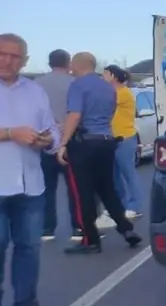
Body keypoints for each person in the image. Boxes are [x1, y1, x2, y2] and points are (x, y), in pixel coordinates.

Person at [0, 33, 71, 306]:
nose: (7, 60)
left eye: (15, 56)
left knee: (29, 249)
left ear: (25, 60)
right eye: (2, 54)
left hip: (31, 186)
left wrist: (48, 140)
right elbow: (13, 133)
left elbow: (51, 127)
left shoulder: (35, 90)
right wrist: (9, 133)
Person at [55, 52, 142, 255]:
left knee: (81, 193)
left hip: (84, 144)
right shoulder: (108, 87)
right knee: (107, 189)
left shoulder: (78, 85)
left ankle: (90, 240)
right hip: (106, 142)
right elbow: (109, 114)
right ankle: (126, 230)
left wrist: (63, 143)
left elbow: (75, 115)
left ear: (76, 65)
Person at [33, 49, 80, 242]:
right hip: (70, 142)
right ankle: (78, 227)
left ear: (49, 62)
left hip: (44, 141)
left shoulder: (36, 84)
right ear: (68, 63)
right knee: (75, 188)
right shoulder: (75, 83)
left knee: (46, 188)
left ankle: (47, 228)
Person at [103, 65, 142, 220]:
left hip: (125, 138)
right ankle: (120, 204)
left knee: (128, 173)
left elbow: (106, 104)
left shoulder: (123, 93)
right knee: (115, 175)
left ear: (112, 75)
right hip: (111, 138)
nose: (102, 77)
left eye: (105, 74)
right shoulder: (113, 92)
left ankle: (135, 206)